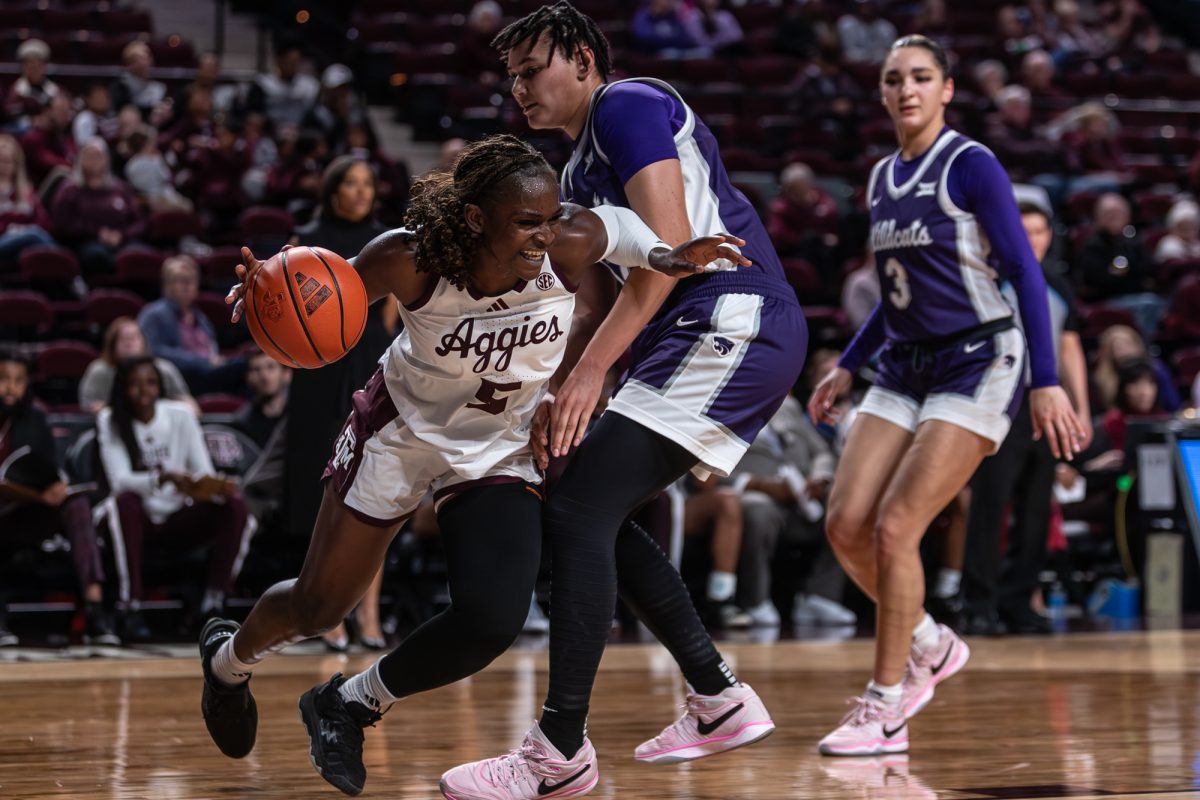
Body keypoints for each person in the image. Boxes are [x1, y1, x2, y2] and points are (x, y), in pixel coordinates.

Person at [195, 134, 747, 797]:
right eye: (526, 221)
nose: (546, 234)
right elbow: (325, 287)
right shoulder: (410, 259)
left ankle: (347, 703)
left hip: (497, 443)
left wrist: (665, 254)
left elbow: (624, 230)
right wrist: (268, 291)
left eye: (551, 217)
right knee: (320, 606)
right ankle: (227, 663)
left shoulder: (566, 239)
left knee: (491, 618)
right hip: (401, 432)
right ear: (475, 218)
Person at [446, 5, 807, 797]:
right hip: (683, 334)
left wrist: (589, 378)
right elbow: (590, 306)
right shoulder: (574, 175)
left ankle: (558, 754)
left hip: (729, 314)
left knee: (575, 507)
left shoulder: (628, 104)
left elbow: (672, 255)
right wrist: (548, 393)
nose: (518, 89)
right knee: (574, 498)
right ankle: (715, 697)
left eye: (531, 69)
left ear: (580, 58)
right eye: (509, 77)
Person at [805, 35, 1082, 756]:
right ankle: (929, 639)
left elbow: (1023, 271)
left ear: (947, 89)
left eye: (921, 77)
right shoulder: (877, 178)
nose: (906, 90)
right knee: (845, 524)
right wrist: (849, 366)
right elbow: (896, 299)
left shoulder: (972, 164)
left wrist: (1046, 382)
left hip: (980, 355)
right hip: (904, 359)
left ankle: (886, 707)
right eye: (893, 79)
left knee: (897, 527)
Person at [961, 200, 1093, 637]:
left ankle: (1020, 601)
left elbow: (1070, 347)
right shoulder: (989, 277)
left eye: (1040, 232)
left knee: (1038, 507)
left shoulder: (1057, 283)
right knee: (990, 504)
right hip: (1001, 402)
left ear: (1049, 236)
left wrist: (1081, 409)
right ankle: (979, 603)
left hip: (1048, 402)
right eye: (1025, 231)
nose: (1033, 239)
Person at [97, 356, 252, 641]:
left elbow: (203, 470)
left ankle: (213, 603)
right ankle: (130, 606)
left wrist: (208, 486)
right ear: (123, 389)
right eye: (134, 384)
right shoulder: (110, 419)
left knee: (235, 505)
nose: (143, 391)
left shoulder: (181, 415)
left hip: (180, 513)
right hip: (138, 517)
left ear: (161, 386)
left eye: (151, 383)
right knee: (124, 503)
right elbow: (119, 482)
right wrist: (164, 478)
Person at [0, 349, 119, 647]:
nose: (10, 387)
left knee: (77, 504)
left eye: (18, 380)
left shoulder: (36, 418)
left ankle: (94, 612)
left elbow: (51, 468)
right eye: (3, 379)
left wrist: (57, 487)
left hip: (26, 510)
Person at [138, 255, 247, 395]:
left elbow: (212, 350)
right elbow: (152, 351)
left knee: (250, 365)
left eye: (191, 280)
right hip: (180, 378)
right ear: (167, 285)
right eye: (181, 280)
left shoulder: (200, 317)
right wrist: (201, 361)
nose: (188, 285)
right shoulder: (153, 314)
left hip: (208, 374)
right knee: (242, 367)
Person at [49, 137, 144, 278]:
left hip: (122, 240)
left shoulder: (120, 188)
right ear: (80, 160)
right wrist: (97, 233)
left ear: (107, 159)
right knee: (97, 256)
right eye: (90, 156)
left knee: (139, 255)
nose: (94, 161)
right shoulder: (70, 189)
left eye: (98, 156)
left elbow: (139, 222)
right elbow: (62, 223)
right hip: (85, 242)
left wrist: (121, 235)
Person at [79, 316, 197, 415]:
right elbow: (89, 407)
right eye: (123, 339)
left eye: (133, 338)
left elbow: (188, 404)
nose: (129, 343)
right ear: (112, 344)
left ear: (144, 342)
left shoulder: (163, 369)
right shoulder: (100, 371)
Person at [0, 134, 55, 266]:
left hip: (26, 243)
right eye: (1, 160)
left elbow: (44, 222)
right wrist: (12, 228)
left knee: (34, 246)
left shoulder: (26, 191)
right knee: (34, 235)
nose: (5, 165)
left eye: (9, 160)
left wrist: (21, 229)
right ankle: (71, 276)